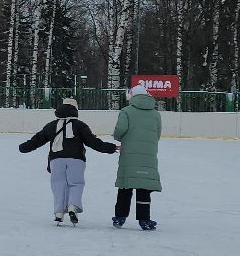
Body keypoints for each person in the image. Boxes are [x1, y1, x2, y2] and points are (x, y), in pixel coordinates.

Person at [18, 96, 118, 225]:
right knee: (76, 184)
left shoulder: (51, 125)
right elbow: (93, 142)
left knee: (58, 185)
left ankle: (59, 213)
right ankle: (72, 207)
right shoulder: (80, 125)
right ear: (75, 110)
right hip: (76, 159)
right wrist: (111, 147)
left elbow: (37, 140)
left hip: (56, 159)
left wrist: (23, 147)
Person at [113, 84, 163, 229]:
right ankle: (144, 219)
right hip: (149, 154)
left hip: (129, 153)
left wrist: (117, 137)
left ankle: (119, 217)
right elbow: (157, 134)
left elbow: (120, 129)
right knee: (144, 187)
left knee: (125, 185)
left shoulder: (126, 111)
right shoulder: (155, 114)